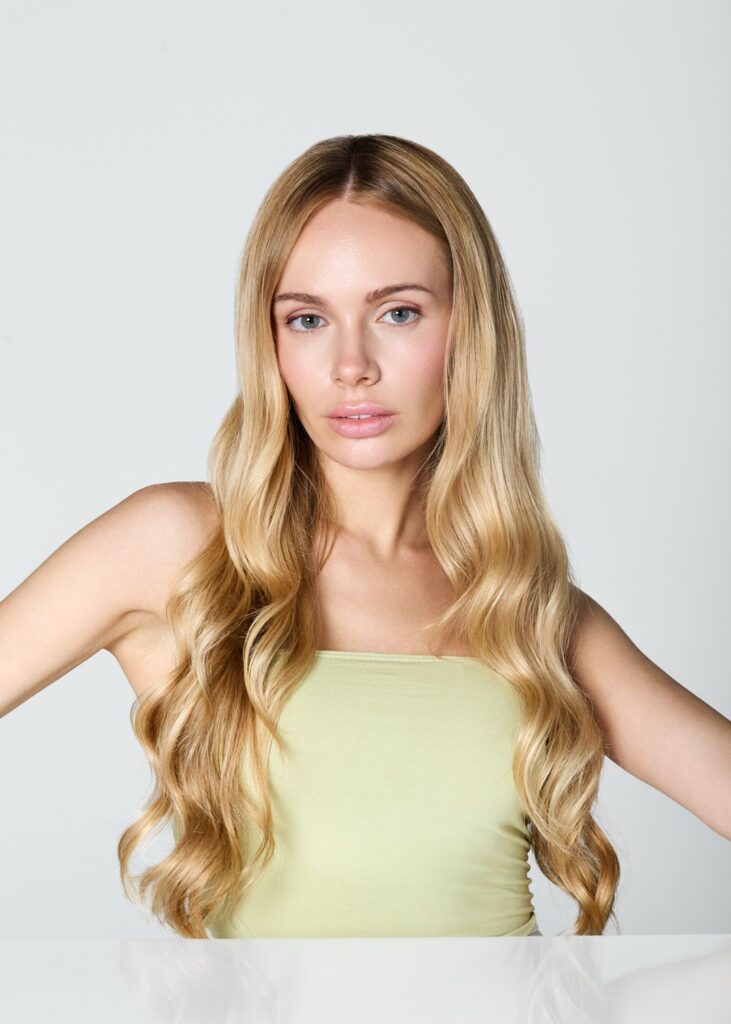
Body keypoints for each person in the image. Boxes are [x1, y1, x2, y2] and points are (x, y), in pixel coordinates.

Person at [2, 134, 729, 940]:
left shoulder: (525, 609)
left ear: (468, 329)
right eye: (307, 319)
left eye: (398, 313)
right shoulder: (177, 548)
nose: (351, 364)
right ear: (270, 343)